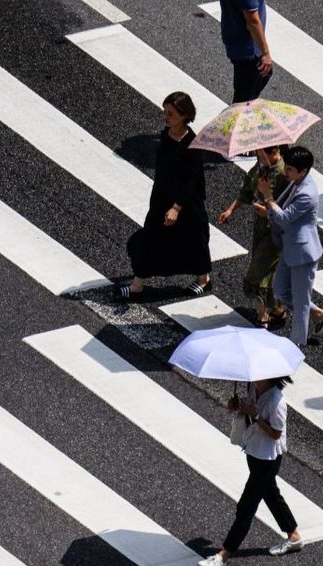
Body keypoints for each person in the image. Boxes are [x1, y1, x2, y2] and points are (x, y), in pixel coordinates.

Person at [198, 376, 302, 566]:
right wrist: (238, 407)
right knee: (270, 493)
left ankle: (223, 556)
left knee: (246, 506)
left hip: (268, 459)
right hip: (254, 450)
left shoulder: (277, 401)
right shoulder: (253, 387)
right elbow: (248, 412)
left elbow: (276, 433)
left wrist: (254, 416)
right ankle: (293, 535)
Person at [118, 92, 212, 300]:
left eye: (171, 113)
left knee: (194, 240)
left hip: (186, 204)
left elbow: (192, 180)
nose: (166, 117)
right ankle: (137, 285)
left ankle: (203, 279)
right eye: (165, 112)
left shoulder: (193, 144)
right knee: (150, 237)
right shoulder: (166, 135)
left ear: (184, 115)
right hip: (162, 198)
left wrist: (177, 208)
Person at [253, 146, 323, 347]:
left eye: (289, 169)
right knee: (280, 290)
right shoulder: (296, 182)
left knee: (300, 304)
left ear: (303, 171)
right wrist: (267, 201)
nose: (285, 171)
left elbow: (283, 217)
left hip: (302, 253)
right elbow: (279, 208)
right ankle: (318, 313)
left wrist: (268, 198)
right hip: (290, 248)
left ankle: (296, 344)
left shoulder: (307, 193)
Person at [219, 145, 290, 327]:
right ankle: (277, 309)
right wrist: (230, 210)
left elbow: (288, 210)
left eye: (259, 152)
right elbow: (247, 192)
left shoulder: (284, 174)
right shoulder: (261, 168)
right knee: (265, 271)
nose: (256, 155)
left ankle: (262, 315)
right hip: (260, 228)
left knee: (257, 275)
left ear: (273, 152)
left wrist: (266, 210)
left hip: (275, 233)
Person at [219, 0, 273, 103]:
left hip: (238, 42)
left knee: (263, 76)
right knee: (244, 102)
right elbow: (252, 21)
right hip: (249, 50)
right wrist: (265, 53)